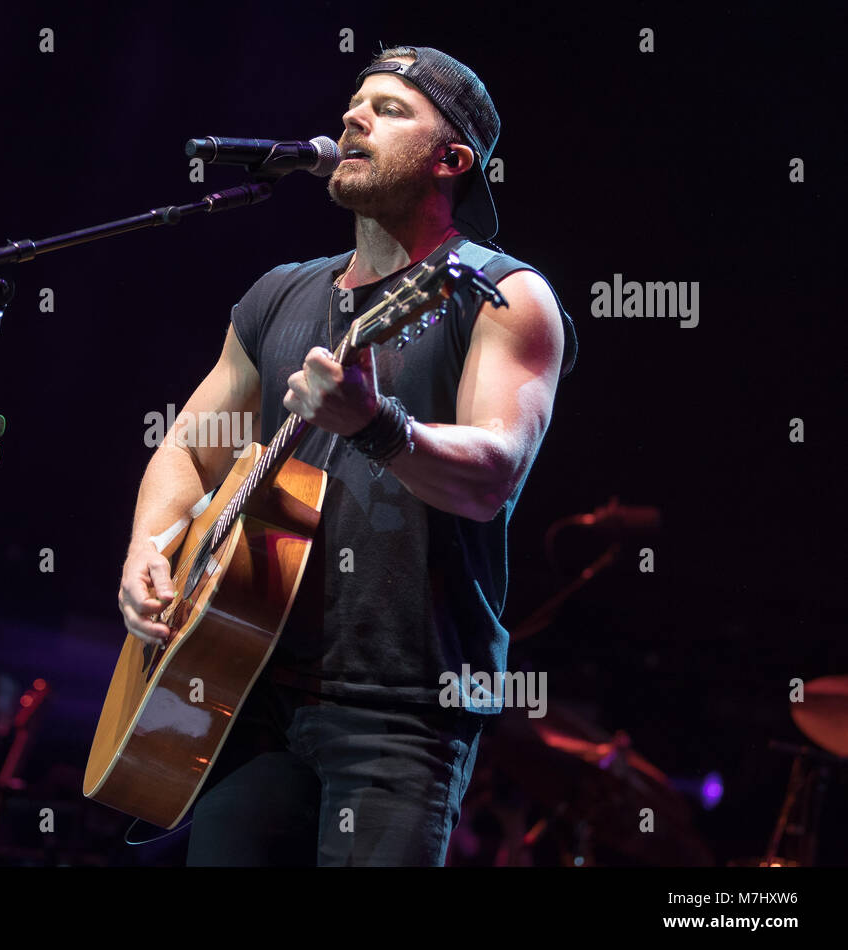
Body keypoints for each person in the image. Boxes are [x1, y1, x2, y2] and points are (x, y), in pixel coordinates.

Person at [116, 45, 578, 865]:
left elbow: (492, 477)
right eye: (353, 105)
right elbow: (191, 447)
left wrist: (376, 423)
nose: (353, 119)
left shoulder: (501, 292)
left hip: (400, 705)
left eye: (390, 109)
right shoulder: (280, 293)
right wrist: (148, 549)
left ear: (452, 160)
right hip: (242, 684)